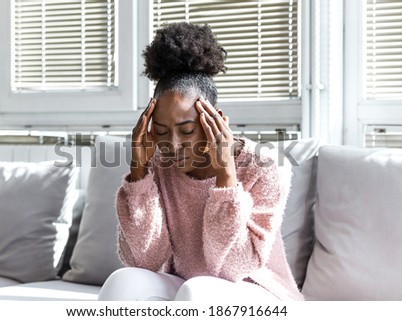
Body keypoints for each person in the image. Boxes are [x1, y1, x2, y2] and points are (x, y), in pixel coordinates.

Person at [98, 22, 303, 301]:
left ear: (217, 121)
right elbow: (144, 260)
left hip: (258, 290)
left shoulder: (265, 165)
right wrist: (139, 173)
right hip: (186, 286)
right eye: (160, 131)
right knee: (124, 282)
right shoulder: (159, 164)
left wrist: (226, 176)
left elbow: (235, 267)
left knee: (196, 291)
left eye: (186, 130)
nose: (172, 144)